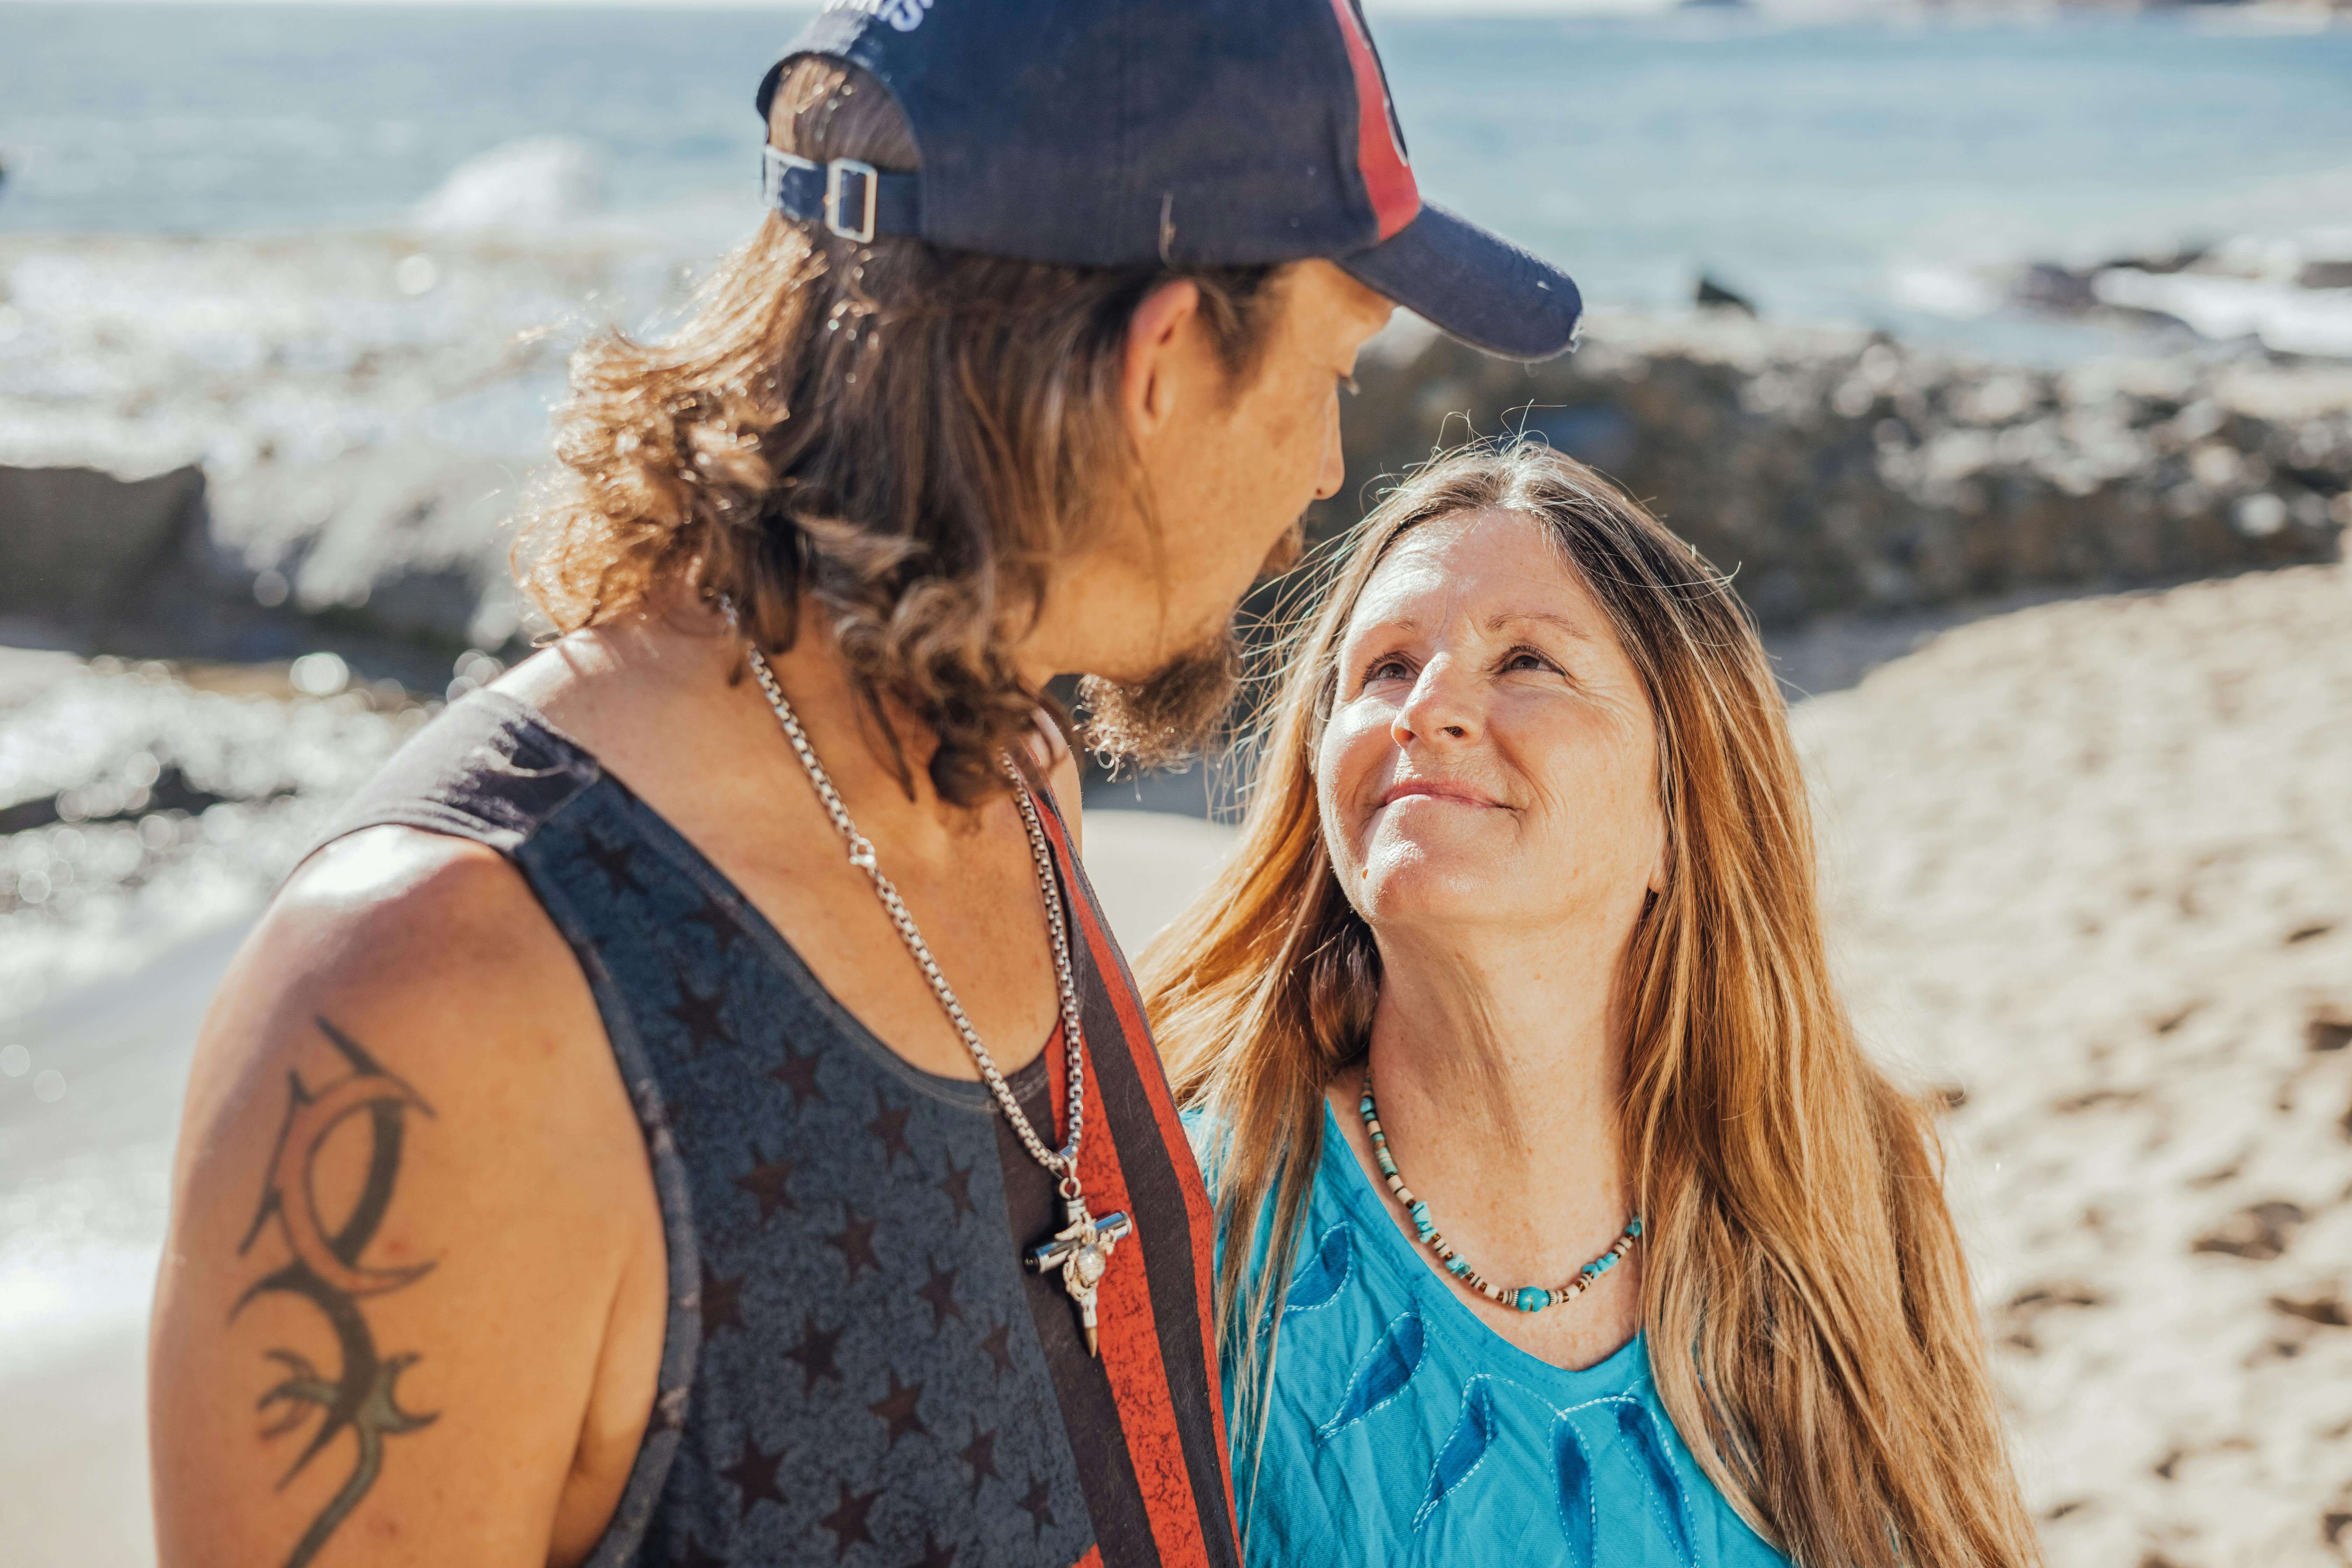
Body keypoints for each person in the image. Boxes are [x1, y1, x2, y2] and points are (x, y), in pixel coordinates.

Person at [145, 4, 1585, 1567]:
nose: (1325, 465)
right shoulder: (438, 998)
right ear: (1161, 362)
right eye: (1331, 370)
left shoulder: (1008, 781)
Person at [1145, 442, 2043, 1568]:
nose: (1427, 710)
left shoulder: (1847, 1192)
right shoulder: (1190, 1229)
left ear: (1678, 810)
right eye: (1383, 668)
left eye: (1525, 660)